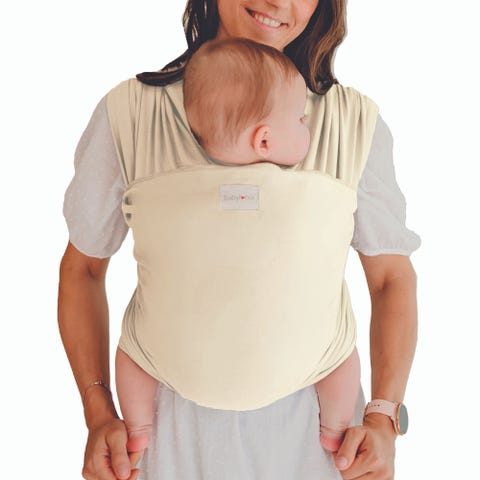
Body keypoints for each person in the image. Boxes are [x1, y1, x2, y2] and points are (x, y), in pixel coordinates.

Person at [58, 1, 421, 479]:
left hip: (316, 446)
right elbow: (83, 269)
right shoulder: (132, 116)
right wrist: (98, 412)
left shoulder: (349, 124)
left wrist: (383, 419)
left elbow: (391, 279)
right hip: (167, 442)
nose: (279, 2)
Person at [114, 36, 362, 461]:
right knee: (340, 356)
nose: (308, 125)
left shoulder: (160, 185)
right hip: (303, 365)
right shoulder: (316, 189)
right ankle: (335, 427)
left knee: (133, 354)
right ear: (264, 142)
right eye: (300, 120)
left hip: (172, 364)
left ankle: (137, 428)